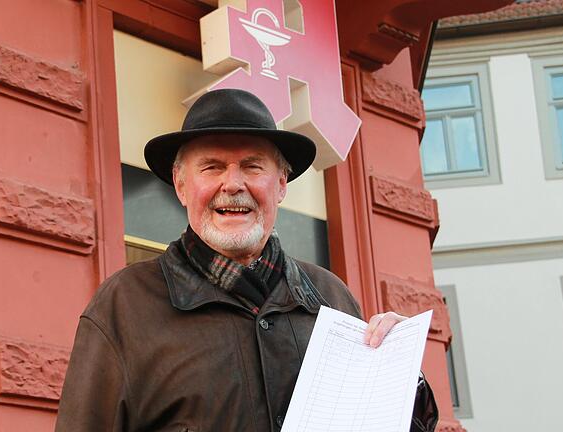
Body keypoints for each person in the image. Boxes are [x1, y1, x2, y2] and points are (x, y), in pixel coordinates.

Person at [55, 89, 438, 432]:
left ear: (282, 185)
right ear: (181, 185)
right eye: (212, 167)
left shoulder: (331, 297)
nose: (234, 184)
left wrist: (399, 372)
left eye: (253, 166)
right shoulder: (123, 306)